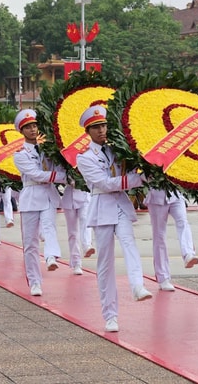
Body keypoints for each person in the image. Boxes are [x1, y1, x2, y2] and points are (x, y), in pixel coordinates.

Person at [75, 105, 152, 333]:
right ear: (88, 131)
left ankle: (138, 286)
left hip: (120, 205)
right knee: (105, 264)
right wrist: (136, 180)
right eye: (96, 127)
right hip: (102, 207)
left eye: (104, 125)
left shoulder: (116, 150)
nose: (102, 130)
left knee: (130, 244)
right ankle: (110, 315)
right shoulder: (85, 158)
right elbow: (104, 183)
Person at [12, 109, 67, 297]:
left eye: (34, 126)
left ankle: (51, 256)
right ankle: (35, 281)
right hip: (31, 195)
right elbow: (35, 174)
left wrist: (66, 175)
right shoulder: (20, 154)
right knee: (30, 242)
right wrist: (59, 177)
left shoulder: (48, 149)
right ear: (22, 131)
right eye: (28, 127)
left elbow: (59, 166)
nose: (33, 130)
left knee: (50, 226)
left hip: (48, 194)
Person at [144, 185, 198, 292]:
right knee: (159, 236)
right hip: (156, 196)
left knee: (183, 222)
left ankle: (188, 254)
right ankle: (163, 278)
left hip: (176, 193)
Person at [58, 180, 90, 276]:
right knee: (73, 233)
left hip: (84, 194)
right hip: (69, 197)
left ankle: (87, 245)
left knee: (85, 219)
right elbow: (59, 174)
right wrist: (67, 179)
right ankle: (76, 263)